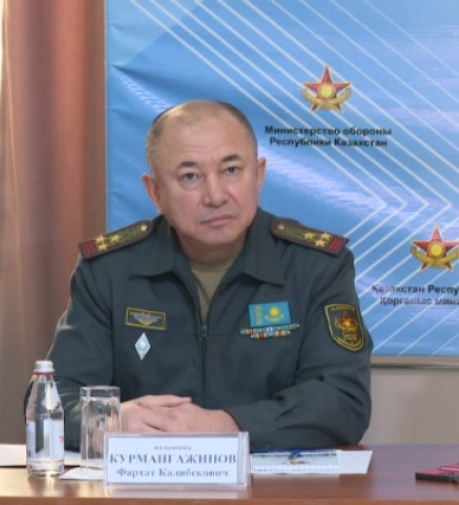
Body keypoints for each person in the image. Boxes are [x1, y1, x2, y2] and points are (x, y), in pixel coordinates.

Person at [42, 100, 371, 451]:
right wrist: (106, 421)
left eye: (231, 170)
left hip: (270, 482)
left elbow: (343, 399)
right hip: (148, 479)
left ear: (258, 175)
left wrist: (228, 426)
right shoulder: (109, 271)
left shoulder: (316, 267)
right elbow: (53, 398)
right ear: (156, 192)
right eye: (190, 177)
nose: (215, 196)